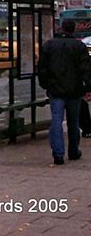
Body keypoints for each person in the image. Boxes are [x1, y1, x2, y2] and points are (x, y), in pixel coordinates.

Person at [37, 19, 91, 164]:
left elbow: (42, 68)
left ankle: (58, 154)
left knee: (56, 120)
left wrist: (45, 85)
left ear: (61, 28)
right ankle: (73, 151)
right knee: (73, 122)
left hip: (55, 89)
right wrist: (88, 88)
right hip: (74, 90)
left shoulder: (49, 45)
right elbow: (86, 69)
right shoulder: (79, 46)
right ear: (73, 29)